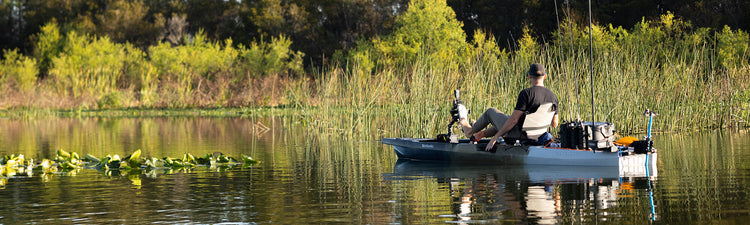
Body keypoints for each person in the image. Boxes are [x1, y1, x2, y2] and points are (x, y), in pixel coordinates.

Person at [457, 63, 559, 151]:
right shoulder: (554, 97)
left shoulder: (526, 93)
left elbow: (513, 120)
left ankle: (468, 131)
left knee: (491, 112)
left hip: (518, 135)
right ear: (545, 76)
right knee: (507, 118)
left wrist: (495, 138)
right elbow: (554, 124)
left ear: (529, 76)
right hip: (537, 136)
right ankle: (479, 135)